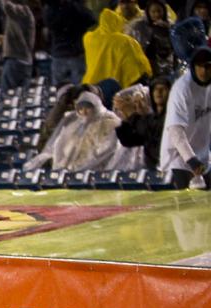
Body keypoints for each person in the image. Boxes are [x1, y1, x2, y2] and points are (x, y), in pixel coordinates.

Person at [25, 91, 121, 170]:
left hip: (97, 170)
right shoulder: (74, 125)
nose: (84, 112)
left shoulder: (109, 122)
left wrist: (80, 167)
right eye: (80, 109)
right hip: (71, 170)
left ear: (95, 107)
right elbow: (59, 146)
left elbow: (106, 150)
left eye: (88, 108)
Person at [160, 46, 211, 189]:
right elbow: (175, 130)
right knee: (182, 207)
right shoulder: (182, 89)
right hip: (177, 158)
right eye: (199, 66)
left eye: (208, 66)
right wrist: (191, 160)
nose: (204, 71)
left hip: (202, 158)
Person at [83, 9, 152, 88]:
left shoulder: (89, 38)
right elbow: (137, 64)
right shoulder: (124, 41)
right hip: (116, 85)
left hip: (91, 83)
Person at [116, 77, 170, 170]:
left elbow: (153, 134)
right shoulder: (146, 120)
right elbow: (128, 141)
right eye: (156, 89)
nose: (159, 92)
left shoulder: (169, 116)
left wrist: (132, 115)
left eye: (163, 89)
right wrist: (125, 119)